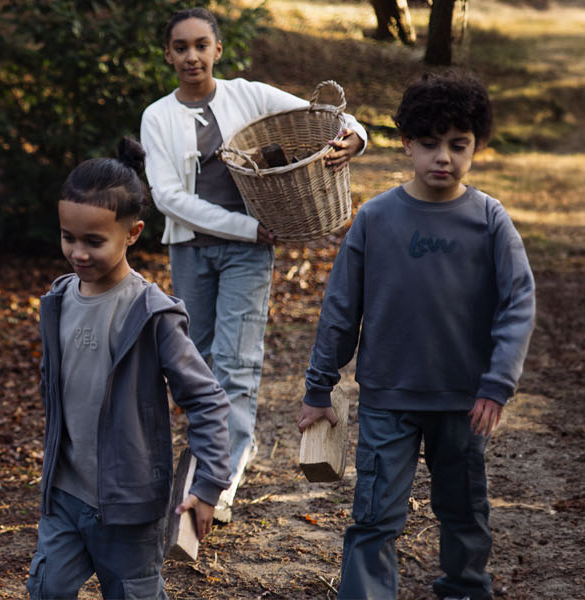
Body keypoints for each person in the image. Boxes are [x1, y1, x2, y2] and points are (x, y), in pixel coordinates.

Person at [296, 70, 535, 600]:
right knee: (376, 514)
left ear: (478, 145)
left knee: (464, 510)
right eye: (429, 144)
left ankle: (466, 588)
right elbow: (341, 308)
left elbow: (518, 303)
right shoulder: (376, 219)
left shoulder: (490, 221)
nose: (442, 158)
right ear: (407, 143)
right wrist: (318, 388)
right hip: (388, 398)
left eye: (458, 145)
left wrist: (497, 384)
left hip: (463, 400)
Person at [140, 7, 371, 522]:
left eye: (201, 45)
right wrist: (245, 226)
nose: (192, 55)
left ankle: (220, 483)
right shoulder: (157, 116)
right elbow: (168, 197)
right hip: (192, 250)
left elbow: (334, 118)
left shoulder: (250, 95)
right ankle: (205, 454)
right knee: (196, 364)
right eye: (181, 47)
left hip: (248, 254)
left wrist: (355, 140)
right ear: (168, 54)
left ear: (217, 50)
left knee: (238, 365)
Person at [27, 138, 232, 600]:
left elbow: (207, 400)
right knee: (46, 589)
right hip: (64, 494)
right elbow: (53, 386)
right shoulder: (58, 301)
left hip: (129, 507)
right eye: (68, 237)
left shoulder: (152, 313)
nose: (78, 252)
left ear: (133, 233)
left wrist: (208, 484)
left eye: (94, 241)